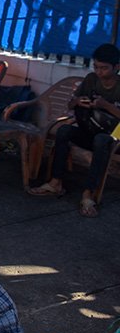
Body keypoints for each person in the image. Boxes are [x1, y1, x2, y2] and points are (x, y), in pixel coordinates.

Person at [28, 43, 120, 218]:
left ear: (117, 67)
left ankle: (88, 194)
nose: (100, 72)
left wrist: (105, 105)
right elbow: (70, 104)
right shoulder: (91, 79)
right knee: (64, 131)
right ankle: (56, 182)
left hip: (114, 137)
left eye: (104, 68)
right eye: (96, 67)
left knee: (101, 140)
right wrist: (79, 102)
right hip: (91, 129)